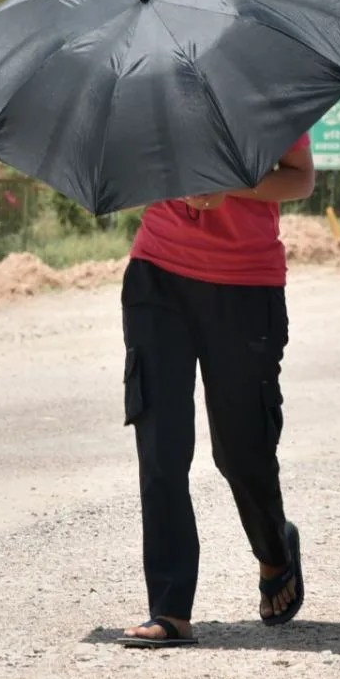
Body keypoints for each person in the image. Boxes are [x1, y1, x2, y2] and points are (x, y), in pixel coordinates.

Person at [117, 136, 314, 648]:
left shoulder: (262, 87)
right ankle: (170, 607)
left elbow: (299, 178)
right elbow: (127, 172)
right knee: (161, 446)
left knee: (243, 449)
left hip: (247, 283)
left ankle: (275, 550)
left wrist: (228, 186)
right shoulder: (151, 94)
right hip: (156, 277)